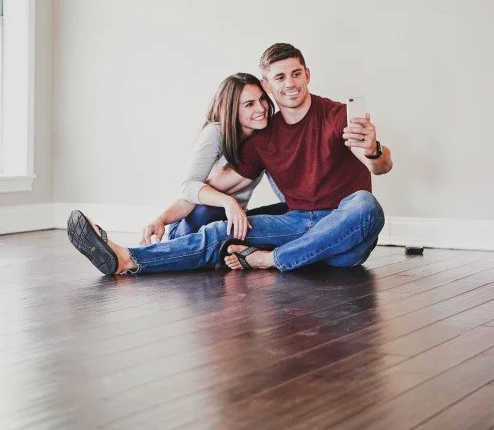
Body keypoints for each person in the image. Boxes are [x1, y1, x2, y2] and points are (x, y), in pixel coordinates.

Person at [66, 43, 393, 275]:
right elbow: (210, 186)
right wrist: (162, 218)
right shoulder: (264, 137)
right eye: (280, 78)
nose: (290, 84)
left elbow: (381, 166)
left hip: (344, 235)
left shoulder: (337, 116)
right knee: (225, 229)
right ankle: (127, 258)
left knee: (365, 205)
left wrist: (373, 150)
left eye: (296, 74)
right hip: (298, 223)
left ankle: (269, 260)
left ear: (307, 74)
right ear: (267, 85)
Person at [140, 73, 288, 246]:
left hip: (229, 220)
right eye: (249, 104)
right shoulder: (216, 132)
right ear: (232, 109)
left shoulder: (265, 140)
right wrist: (228, 202)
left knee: (292, 210)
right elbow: (188, 187)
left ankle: (236, 249)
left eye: (262, 99)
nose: (261, 108)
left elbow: (283, 189)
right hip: (192, 222)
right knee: (211, 210)